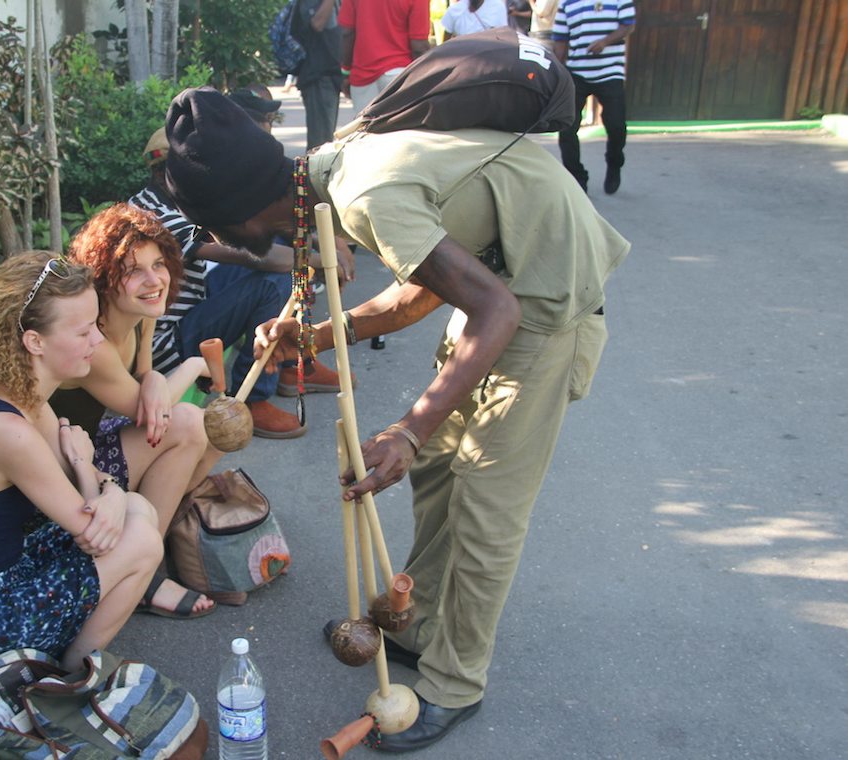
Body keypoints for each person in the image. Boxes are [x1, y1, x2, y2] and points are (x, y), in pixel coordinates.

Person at [162, 87, 630, 752]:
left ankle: (455, 683)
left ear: (239, 213)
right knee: (439, 468)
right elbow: (428, 285)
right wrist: (320, 335)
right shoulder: (329, 171)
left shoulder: (361, 192)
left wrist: (408, 428)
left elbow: (498, 310)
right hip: (503, 285)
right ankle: (420, 625)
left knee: (485, 505)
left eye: (215, 227)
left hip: (543, 305)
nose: (222, 241)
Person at [0, 252, 161, 676]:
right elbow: (94, 535)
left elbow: (95, 484)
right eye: (83, 332)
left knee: (141, 512)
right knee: (142, 540)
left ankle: (72, 665)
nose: (98, 343)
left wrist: (97, 479)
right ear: (34, 341)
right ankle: (71, 679)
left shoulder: (26, 400)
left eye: (96, 327)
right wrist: (106, 491)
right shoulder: (9, 432)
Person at [51, 203, 218, 619]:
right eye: (133, 270)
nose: (153, 280)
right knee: (188, 423)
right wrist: (193, 366)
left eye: (159, 264)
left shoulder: (140, 317)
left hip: (92, 445)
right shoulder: (96, 342)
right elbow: (146, 413)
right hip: (61, 469)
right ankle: (141, 568)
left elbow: (146, 380)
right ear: (105, 277)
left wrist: (159, 379)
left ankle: (151, 549)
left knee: (204, 428)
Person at [130, 127, 351, 439]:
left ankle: (290, 364)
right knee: (273, 279)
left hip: (193, 304)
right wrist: (320, 259)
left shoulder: (177, 200)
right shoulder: (158, 217)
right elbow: (251, 255)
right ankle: (252, 398)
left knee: (273, 242)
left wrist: (323, 237)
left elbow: (257, 222)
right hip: (169, 345)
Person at [553, 0, 636, 194]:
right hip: (577, 72)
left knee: (616, 125)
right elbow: (560, 41)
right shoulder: (566, 3)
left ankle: (614, 163)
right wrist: (557, 75)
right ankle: (577, 177)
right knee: (567, 128)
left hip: (610, 72)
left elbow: (628, 26)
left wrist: (604, 42)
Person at [338, 0, 431, 113]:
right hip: (400, 75)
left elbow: (347, 33)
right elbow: (419, 46)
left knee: (364, 128)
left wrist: (346, 72)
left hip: (363, 76)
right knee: (400, 129)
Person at [291, 0, 344, 150]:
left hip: (330, 75)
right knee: (321, 145)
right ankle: (314, 173)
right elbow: (317, 23)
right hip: (318, 76)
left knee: (325, 140)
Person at [440, 0, 507, 39]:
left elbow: (503, 37)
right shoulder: (454, 10)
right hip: (463, 59)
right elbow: (445, 42)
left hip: (489, 59)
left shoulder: (498, 7)